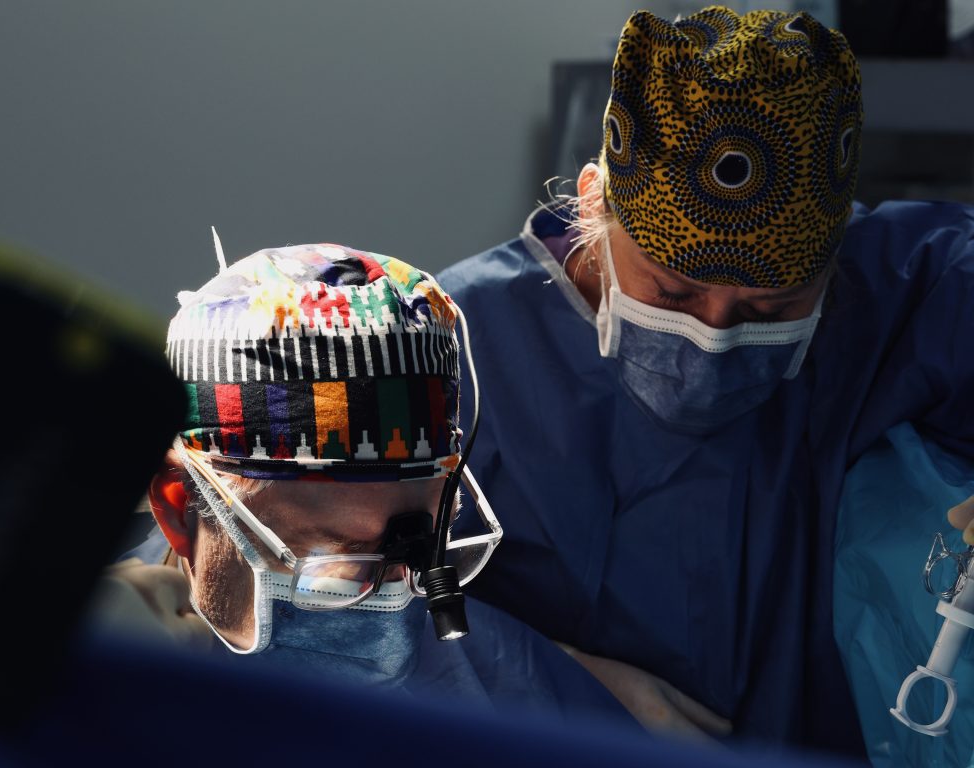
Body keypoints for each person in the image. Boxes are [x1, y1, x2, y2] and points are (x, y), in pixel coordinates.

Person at [436, 5, 974, 757]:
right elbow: (334, 597)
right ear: (592, 201)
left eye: (768, 309)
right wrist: (544, 677)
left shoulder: (895, 291)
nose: (715, 337)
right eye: (673, 294)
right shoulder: (454, 350)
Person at [107, 240, 637, 725]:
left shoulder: (509, 694)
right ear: (181, 509)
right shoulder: (97, 669)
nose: (393, 612)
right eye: (336, 566)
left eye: (422, 553)